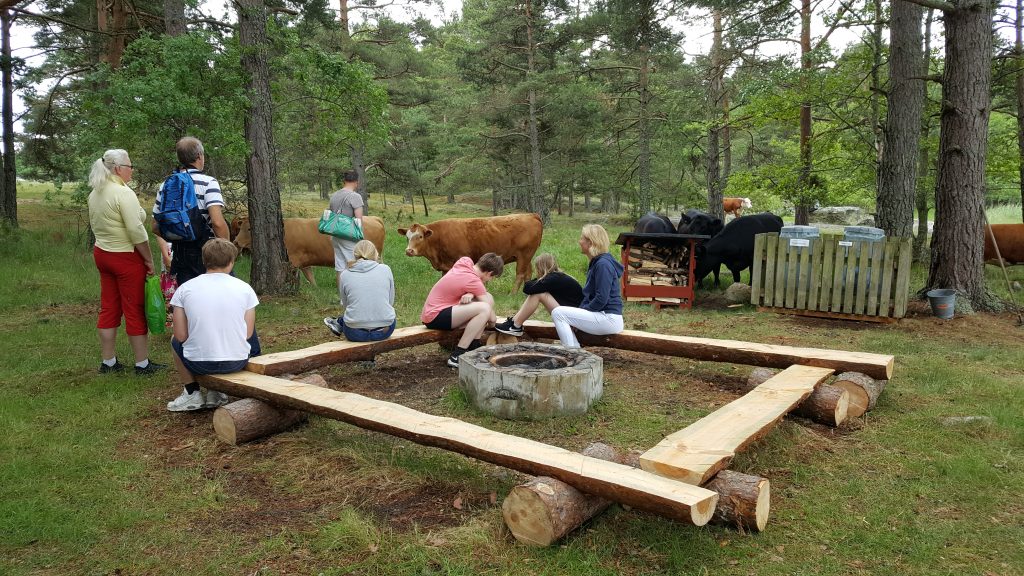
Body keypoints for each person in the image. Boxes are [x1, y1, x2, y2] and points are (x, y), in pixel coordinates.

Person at [87, 149, 166, 376]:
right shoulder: (123, 193)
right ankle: (142, 363)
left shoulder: (96, 192)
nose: (131, 171)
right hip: (125, 256)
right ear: (119, 168)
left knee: (109, 306)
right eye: (130, 166)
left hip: (102, 253)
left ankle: (108, 361)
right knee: (134, 308)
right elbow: (136, 230)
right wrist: (149, 260)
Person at [166, 238, 261, 412]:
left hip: (198, 363)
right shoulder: (245, 288)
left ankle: (191, 391)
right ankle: (215, 392)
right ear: (231, 262)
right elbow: (247, 334)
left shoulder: (185, 289)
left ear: (204, 261)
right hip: (237, 361)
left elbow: (180, 336)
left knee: (174, 340)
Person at [152, 136, 229, 287]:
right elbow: (218, 222)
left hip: (180, 255)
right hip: (207, 253)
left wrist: (179, 237)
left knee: (187, 299)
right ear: (199, 156)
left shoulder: (166, 184)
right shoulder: (209, 183)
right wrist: (227, 248)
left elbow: (154, 226)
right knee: (216, 295)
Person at [421, 253, 504, 367]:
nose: (490, 280)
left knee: (487, 298)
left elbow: (464, 282)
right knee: (484, 308)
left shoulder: (465, 262)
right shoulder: (474, 282)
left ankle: (474, 345)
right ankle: (457, 354)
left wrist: (470, 292)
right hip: (435, 316)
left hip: (435, 311)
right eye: (492, 277)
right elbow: (492, 318)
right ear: (489, 273)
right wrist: (492, 323)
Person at [549, 224, 624, 348]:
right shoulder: (597, 262)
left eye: (582, 238)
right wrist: (579, 315)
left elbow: (601, 298)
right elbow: (589, 296)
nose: (579, 241)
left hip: (609, 318)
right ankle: (575, 351)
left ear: (591, 242)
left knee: (558, 313)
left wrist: (581, 314)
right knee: (561, 313)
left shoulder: (603, 264)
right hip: (603, 316)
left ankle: (572, 352)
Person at [323, 239, 396, 342]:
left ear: (354, 255)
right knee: (388, 316)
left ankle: (339, 322)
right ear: (375, 254)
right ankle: (339, 322)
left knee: (350, 317)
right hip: (384, 330)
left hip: (355, 333)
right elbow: (390, 301)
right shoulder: (386, 270)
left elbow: (346, 305)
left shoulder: (345, 275)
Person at [494, 253, 583, 337]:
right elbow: (530, 286)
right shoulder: (558, 276)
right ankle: (514, 323)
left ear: (540, 268)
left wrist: (538, 279)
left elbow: (527, 288)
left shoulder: (553, 279)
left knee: (538, 294)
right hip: (574, 315)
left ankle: (515, 325)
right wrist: (539, 279)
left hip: (575, 320)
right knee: (538, 292)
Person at [327, 170, 365, 300]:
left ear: (344, 181)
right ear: (356, 182)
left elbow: (331, 215)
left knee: (340, 267)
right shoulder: (355, 196)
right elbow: (359, 219)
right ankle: (355, 297)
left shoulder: (334, 195)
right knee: (354, 264)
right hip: (349, 236)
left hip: (336, 235)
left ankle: (343, 299)